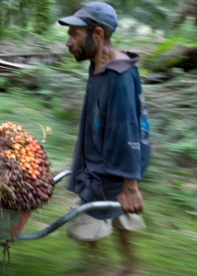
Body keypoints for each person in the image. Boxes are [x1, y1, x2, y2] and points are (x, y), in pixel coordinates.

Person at [57, 2, 151, 276]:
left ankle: (98, 268)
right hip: (107, 159)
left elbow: (125, 131)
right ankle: (129, 267)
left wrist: (130, 185)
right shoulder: (99, 65)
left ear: (97, 34)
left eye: (74, 34)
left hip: (115, 164)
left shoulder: (117, 77)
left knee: (84, 222)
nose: (68, 42)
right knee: (120, 216)